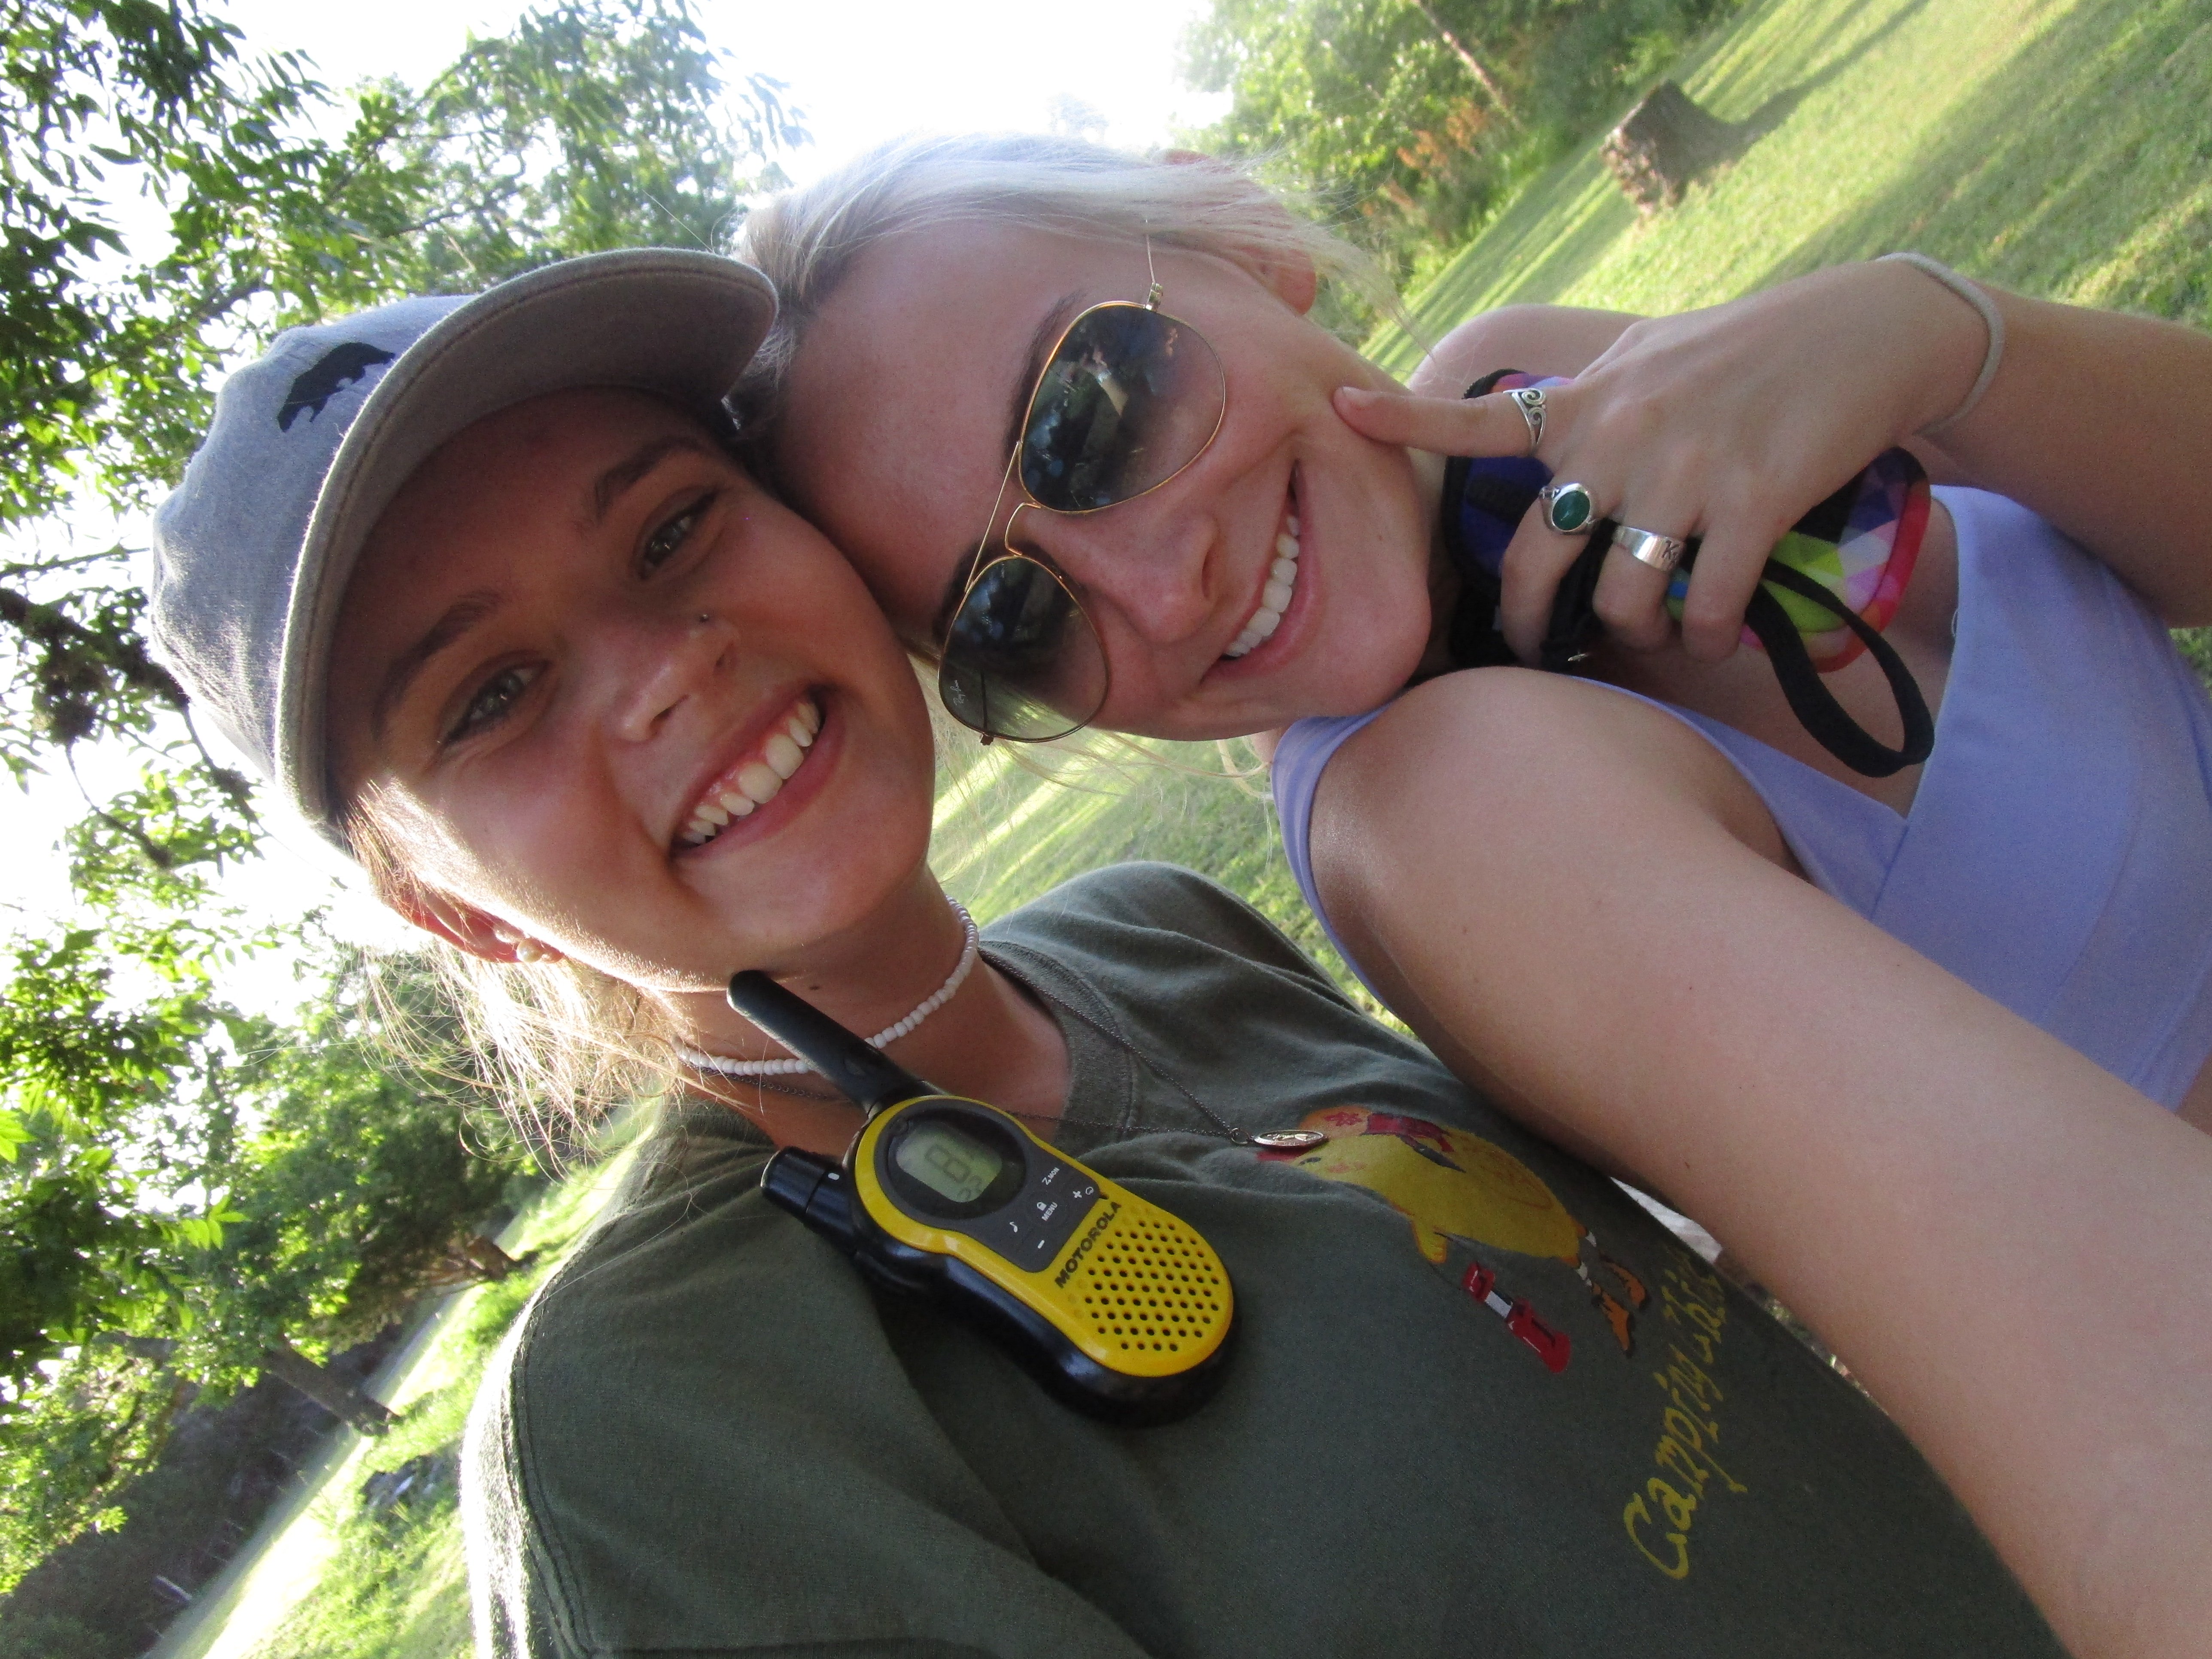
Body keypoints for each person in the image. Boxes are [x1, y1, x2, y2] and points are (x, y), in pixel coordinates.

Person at [143, 252, 2073, 1658]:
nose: (666, 673)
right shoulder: (649, 1440)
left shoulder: (1165, 937)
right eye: (490, 692)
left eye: (670, 534)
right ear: (447, 904)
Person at [732, 134, 2212, 1654]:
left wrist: (1940, 341)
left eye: (1091, 419)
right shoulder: (1434, 812)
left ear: (1241, 242)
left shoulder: (1535, 401)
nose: (1160, 595)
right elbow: (2151, 1426)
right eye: (1013, 618)